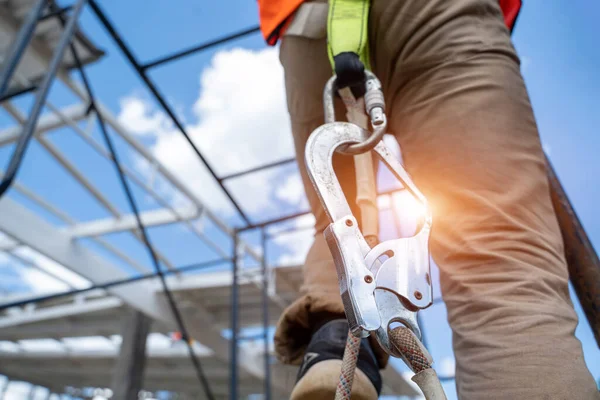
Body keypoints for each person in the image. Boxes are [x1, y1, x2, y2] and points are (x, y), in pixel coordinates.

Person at [257, 0, 600, 399]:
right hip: (439, 16)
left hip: (308, 22)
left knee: (336, 217)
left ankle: (334, 343)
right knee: (496, 248)